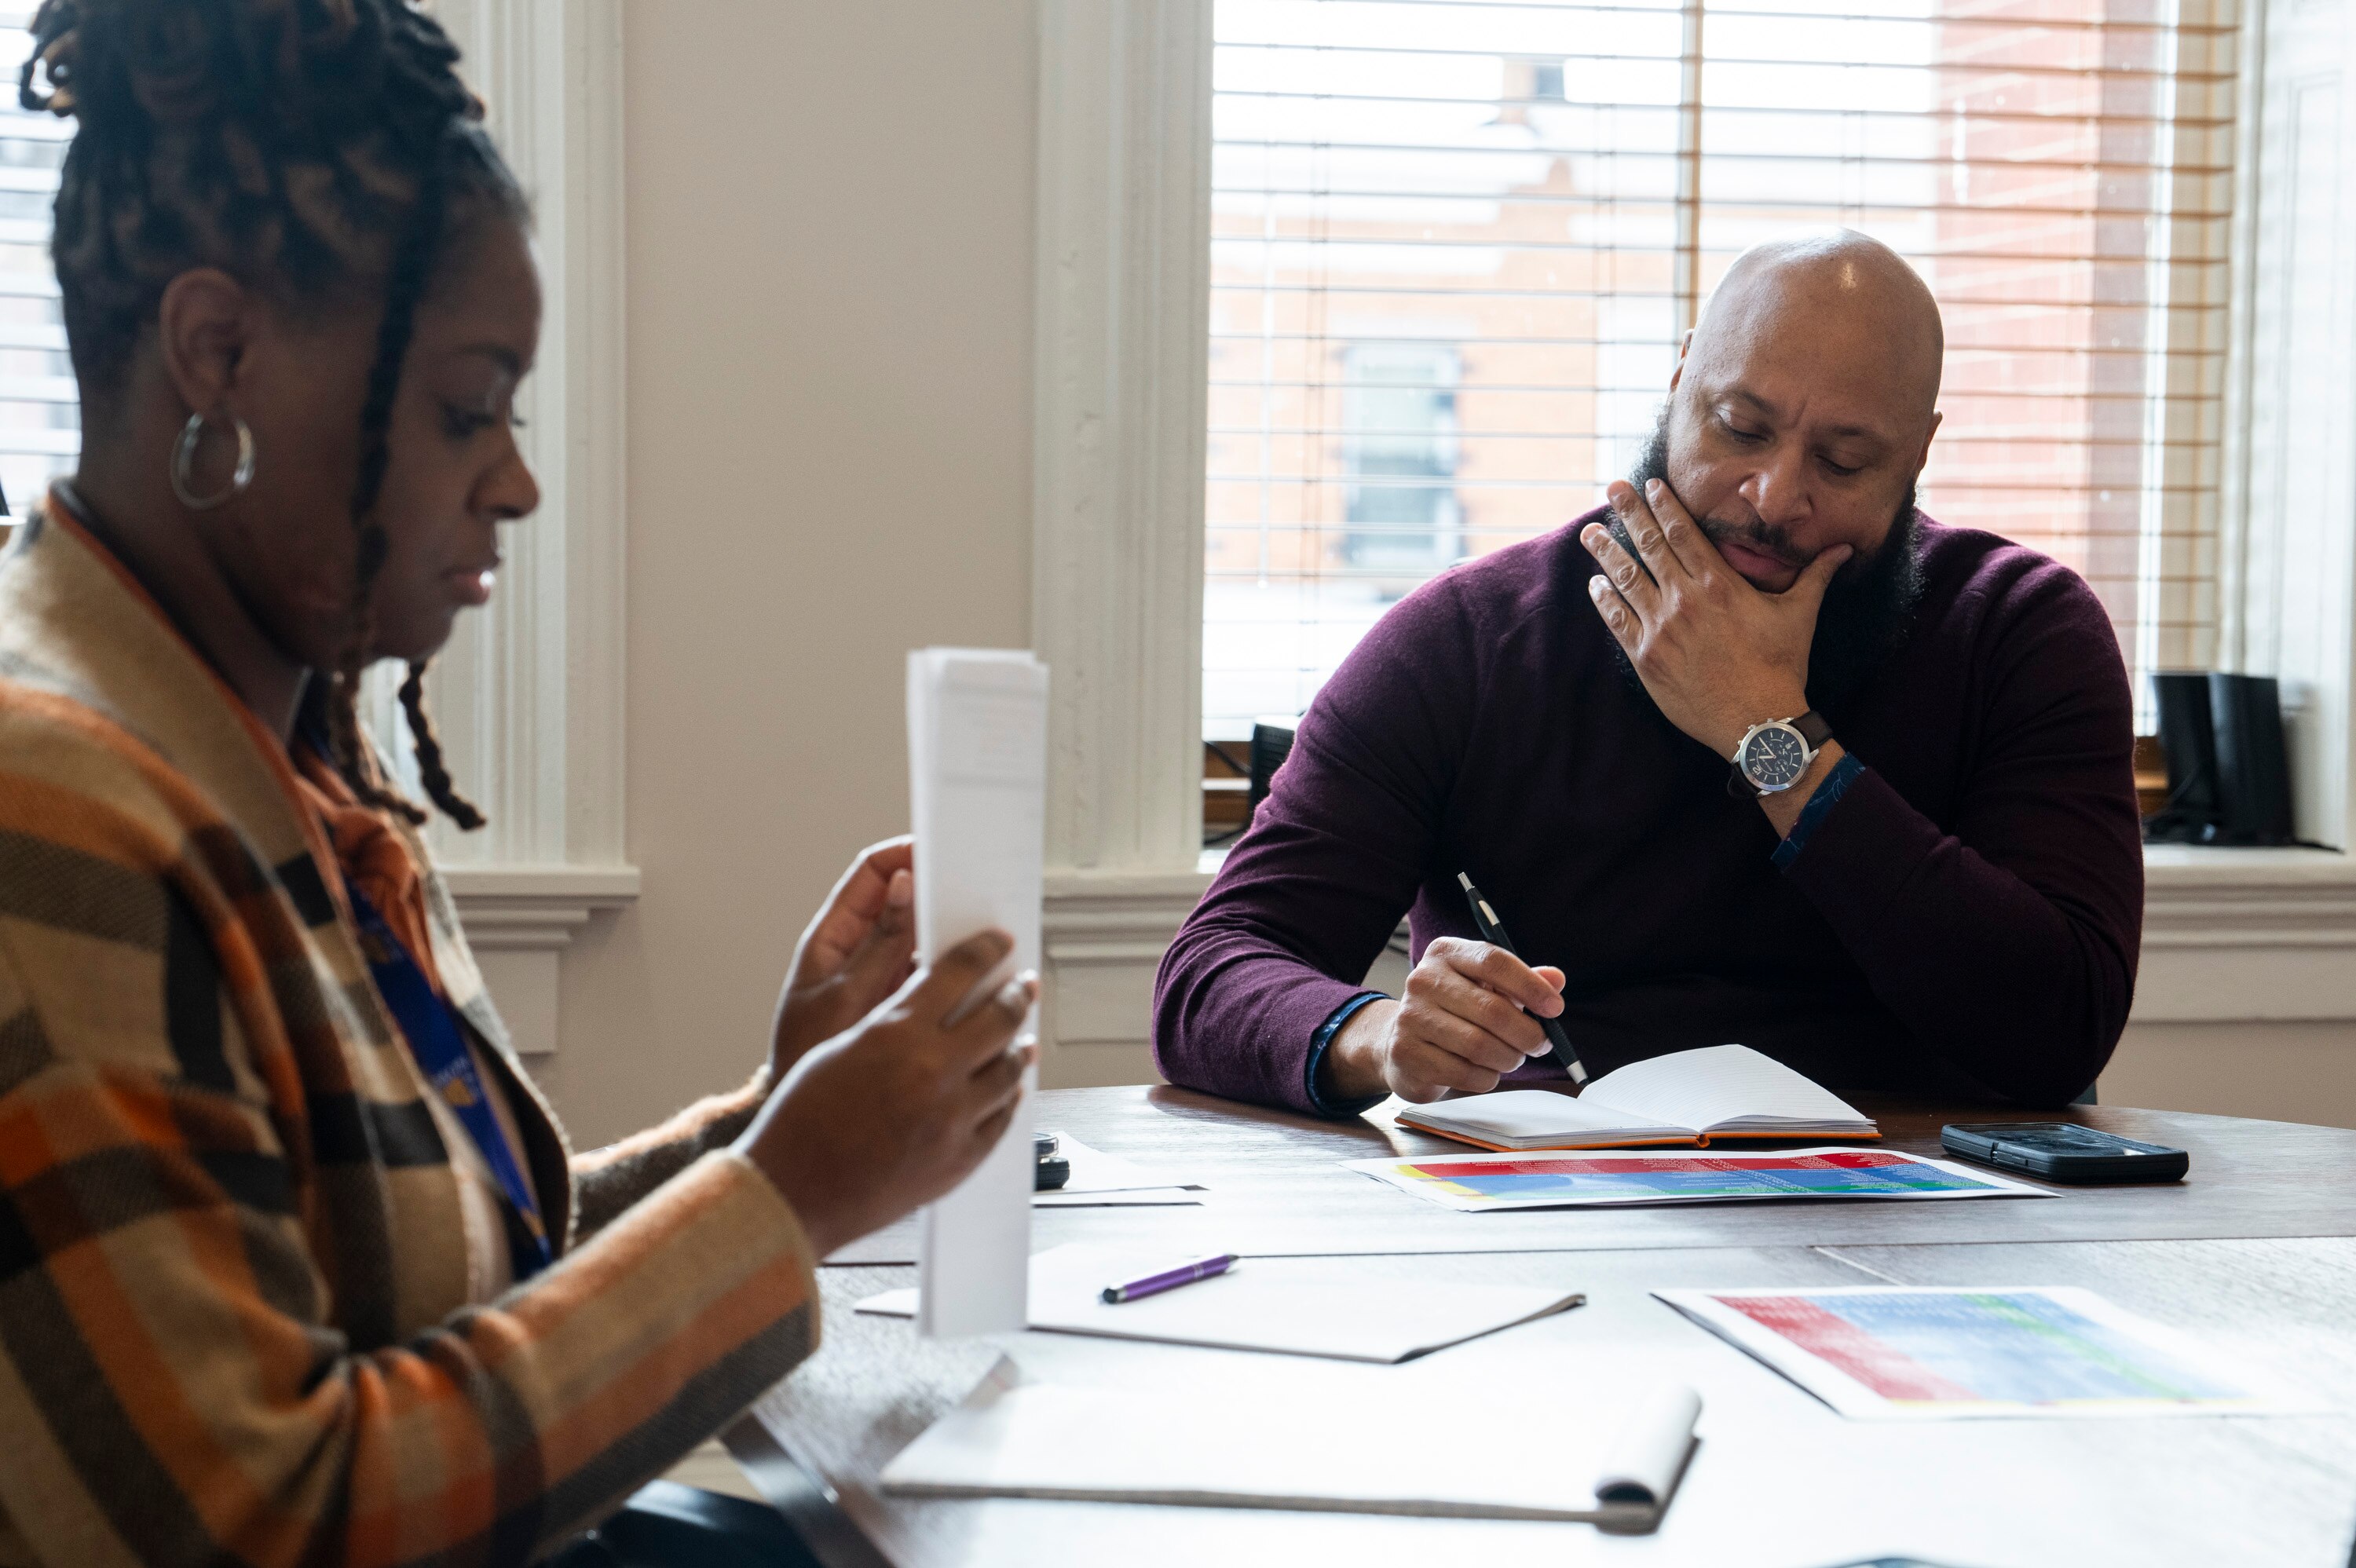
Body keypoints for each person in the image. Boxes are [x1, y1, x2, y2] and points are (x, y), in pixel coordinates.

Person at [0, 3, 1032, 1563]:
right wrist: (786, 1194)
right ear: (218, 352)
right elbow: (269, 1514)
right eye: (465, 407)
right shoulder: (55, 807)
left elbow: (445, 1284)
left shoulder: (279, 742)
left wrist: (780, 1115)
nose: (516, 479)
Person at [1154, 231, 2142, 1118]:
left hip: (1933, 1215)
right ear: (1679, 384)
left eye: (1843, 462)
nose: (1772, 497)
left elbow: (2056, 1034)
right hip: (1559, 1200)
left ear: (1918, 455)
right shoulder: (1469, 641)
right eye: (1740, 428)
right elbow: (1210, 974)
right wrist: (1377, 1035)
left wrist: (1771, 734)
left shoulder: (2022, 630)